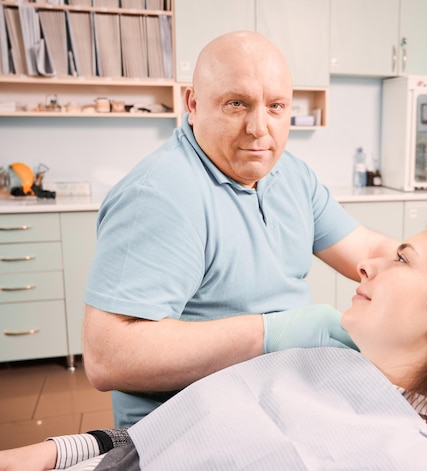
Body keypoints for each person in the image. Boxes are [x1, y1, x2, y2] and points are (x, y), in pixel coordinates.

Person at [0, 218, 427, 471]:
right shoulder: (324, 365)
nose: (367, 262)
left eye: (402, 258)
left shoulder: (412, 458)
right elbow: (163, 436)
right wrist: (49, 454)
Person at [79, 30, 398, 428]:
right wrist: (270, 334)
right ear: (193, 104)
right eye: (236, 104)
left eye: (277, 106)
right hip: (192, 425)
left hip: (277, 398)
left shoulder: (290, 174)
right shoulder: (161, 195)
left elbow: (365, 246)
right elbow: (107, 358)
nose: (259, 128)